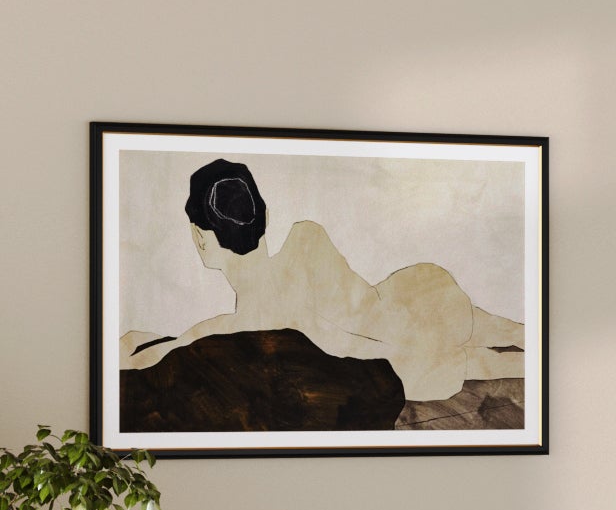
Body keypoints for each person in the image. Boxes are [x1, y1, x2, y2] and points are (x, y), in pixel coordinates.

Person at [125, 158, 525, 402]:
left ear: (200, 239)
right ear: (266, 218)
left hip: (422, 360)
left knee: (478, 354)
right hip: (430, 306)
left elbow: (171, 346)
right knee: (474, 331)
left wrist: (138, 345)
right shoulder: (307, 241)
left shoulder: (244, 324)